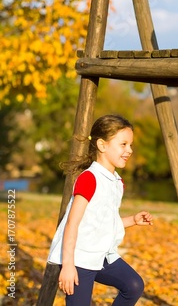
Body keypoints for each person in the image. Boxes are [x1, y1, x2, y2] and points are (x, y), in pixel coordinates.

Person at [47, 114, 153, 306]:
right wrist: (68, 265)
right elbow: (72, 223)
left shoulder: (116, 181)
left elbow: (103, 223)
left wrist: (133, 220)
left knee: (134, 285)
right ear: (102, 145)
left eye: (130, 145)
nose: (129, 150)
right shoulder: (90, 179)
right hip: (79, 259)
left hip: (102, 256)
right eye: (123, 144)